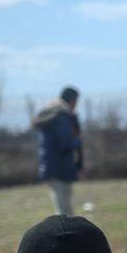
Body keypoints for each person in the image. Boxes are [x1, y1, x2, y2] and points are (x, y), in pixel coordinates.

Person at [32, 86, 82, 216]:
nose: (76, 105)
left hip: (50, 166)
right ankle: (65, 235)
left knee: (62, 206)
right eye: (76, 101)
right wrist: (77, 141)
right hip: (60, 167)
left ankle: (66, 233)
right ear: (72, 100)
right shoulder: (61, 117)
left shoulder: (49, 115)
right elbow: (65, 142)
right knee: (64, 211)